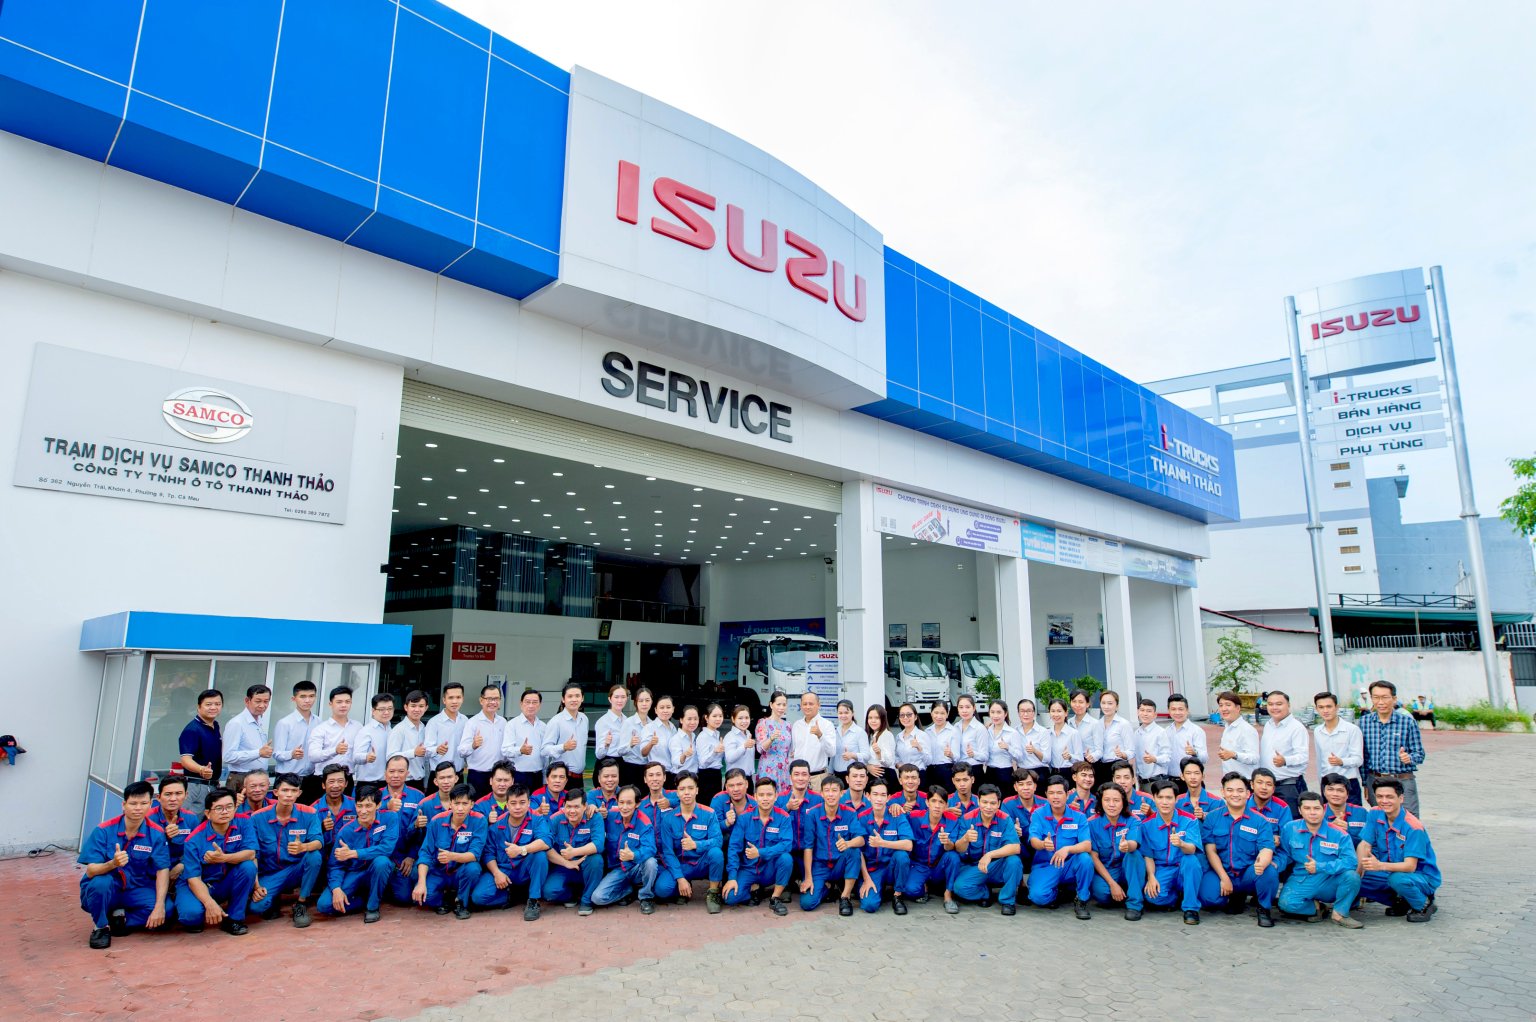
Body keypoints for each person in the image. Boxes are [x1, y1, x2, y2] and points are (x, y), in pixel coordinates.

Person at [78, 780, 170, 949]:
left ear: (151, 804)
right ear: (124, 805)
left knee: (168, 909)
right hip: (108, 889)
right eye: (133, 803)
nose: (138, 808)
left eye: (144, 803)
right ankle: (101, 927)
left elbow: (162, 869)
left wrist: (159, 906)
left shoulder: (156, 833)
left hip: (135, 889)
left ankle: (121, 920)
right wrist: (112, 863)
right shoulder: (104, 830)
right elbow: (91, 871)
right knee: (100, 883)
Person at [1197, 772, 1277, 926]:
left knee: (1269, 870)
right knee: (1209, 899)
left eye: (1240, 791)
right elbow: (1210, 851)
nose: (1235, 794)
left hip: (1247, 873)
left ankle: (1264, 908)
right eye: (1230, 790)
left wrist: (1262, 863)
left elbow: (1266, 848)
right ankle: (1233, 895)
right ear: (1223, 792)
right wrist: (1224, 878)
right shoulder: (1212, 818)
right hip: (1222, 871)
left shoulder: (1260, 821)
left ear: (1248, 794)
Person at [175, 786, 257, 934]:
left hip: (225, 881)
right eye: (219, 808)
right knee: (191, 917)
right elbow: (193, 878)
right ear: (207, 813)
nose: (225, 812)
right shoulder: (194, 839)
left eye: (229, 807)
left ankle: (234, 919)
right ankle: (187, 903)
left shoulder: (244, 822)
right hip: (200, 884)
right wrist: (209, 903)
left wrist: (223, 858)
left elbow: (251, 853)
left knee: (248, 867)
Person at [1357, 778, 1440, 922]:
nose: (1384, 801)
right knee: (1354, 879)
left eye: (1389, 797)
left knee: (1398, 879)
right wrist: (1358, 871)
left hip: (1420, 875)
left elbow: (1410, 866)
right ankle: (1402, 900)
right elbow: (1364, 844)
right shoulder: (1374, 813)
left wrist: (1379, 866)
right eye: (1380, 796)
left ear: (1401, 798)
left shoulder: (1413, 827)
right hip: (1390, 870)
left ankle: (1423, 904)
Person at [1277, 791, 1363, 928]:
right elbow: (1285, 854)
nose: (1312, 812)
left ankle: (1340, 913)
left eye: (1316, 808)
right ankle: (1317, 908)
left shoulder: (1339, 833)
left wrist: (1320, 866)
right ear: (1300, 810)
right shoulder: (1290, 828)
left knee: (1352, 877)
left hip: (1330, 879)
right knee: (1286, 904)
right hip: (1302, 879)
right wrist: (1274, 864)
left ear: (1323, 810)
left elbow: (1351, 862)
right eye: (1307, 808)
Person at [247, 773, 322, 927]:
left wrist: (304, 847)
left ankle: (301, 903)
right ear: (275, 792)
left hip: (296, 869)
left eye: (294, 791)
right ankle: (274, 897)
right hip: (270, 873)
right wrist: (256, 886)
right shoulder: (257, 817)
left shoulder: (309, 813)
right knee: (257, 907)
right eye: (285, 790)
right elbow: (252, 854)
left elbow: (318, 842)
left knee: (314, 856)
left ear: (299, 793)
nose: (289, 795)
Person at [319, 784, 398, 923]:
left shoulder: (390, 818)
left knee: (382, 862)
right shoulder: (346, 831)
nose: (363, 811)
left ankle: (372, 907)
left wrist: (353, 853)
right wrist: (336, 889)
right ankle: (362, 901)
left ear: (378, 805)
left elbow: (386, 848)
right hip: (353, 873)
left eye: (368, 806)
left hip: (377, 869)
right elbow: (335, 865)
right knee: (324, 905)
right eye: (359, 806)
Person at [471, 784, 550, 920]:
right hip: (504, 869)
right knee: (478, 897)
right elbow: (488, 853)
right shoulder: (496, 824)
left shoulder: (537, 819)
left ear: (529, 803)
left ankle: (533, 900)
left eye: (522, 802)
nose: (518, 807)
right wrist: (497, 873)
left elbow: (546, 841)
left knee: (540, 856)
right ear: (507, 805)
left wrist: (522, 849)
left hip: (524, 868)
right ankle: (512, 896)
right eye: (513, 803)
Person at [945, 783, 1023, 915]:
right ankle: (985, 893)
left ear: (998, 804)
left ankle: (1007, 901)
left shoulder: (1005, 819)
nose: (988, 807)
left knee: (1014, 861)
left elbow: (1015, 847)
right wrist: (965, 839)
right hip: (974, 867)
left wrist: (990, 855)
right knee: (960, 888)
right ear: (978, 802)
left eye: (993, 803)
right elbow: (958, 849)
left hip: (996, 866)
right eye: (984, 802)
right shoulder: (967, 819)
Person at [721, 776, 793, 914]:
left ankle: (775, 897)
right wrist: (732, 878)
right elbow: (734, 848)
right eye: (761, 795)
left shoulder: (783, 817)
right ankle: (754, 891)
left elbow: (786, 845)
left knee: (786, 859)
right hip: (749, 869)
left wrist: (760, 852)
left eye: (769, 795)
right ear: (755, 797)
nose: (765, 799)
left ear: (775, 796)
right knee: (729, 898)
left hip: (770, 869)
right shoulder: (744, 818)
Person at [413, 782, 485, 919]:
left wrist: (451, 856)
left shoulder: (479, 820)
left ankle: (461, 902)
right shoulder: (436, 821)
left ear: (472, 804)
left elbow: (474, 854)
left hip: (461, 872)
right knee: (423, 897)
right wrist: (421, 883)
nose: (460, 808)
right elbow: (425, 853)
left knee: (473, 868)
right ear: (450, 803)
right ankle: (443, 901)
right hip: (439, 872)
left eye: (465, 804)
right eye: (457, 803)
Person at [1024, 775, 1092, 918]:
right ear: (1046, 795)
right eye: (1051, 793)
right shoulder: (1038, 814)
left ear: (1067, 794)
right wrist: (1043, 844)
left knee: (1085, 859)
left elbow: (1087, 845)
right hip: (1046, 865)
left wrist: (1067, 849)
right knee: (1038, 897)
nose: (1055, 797)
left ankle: (1082, 899)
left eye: (1059, 793)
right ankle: (1059, 893)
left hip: (1069, 865)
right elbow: (1033, 840)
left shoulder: (1079, 817)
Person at [654, 772, 724, 910]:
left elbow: (718, 841)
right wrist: (680, 878)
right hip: (681, 865)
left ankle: (713, 892)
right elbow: (668, 852)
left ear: (697, 790)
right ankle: (683, 888)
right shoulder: (668, 819)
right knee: (661, 890)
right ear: (677, 792)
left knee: (716, 853)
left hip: (701, 863)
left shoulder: (709, 813)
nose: (687, 792)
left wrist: (696, 844)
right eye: (682, 789)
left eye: (691, 788)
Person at [1139, 779, 1204, 924]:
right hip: (1162, 869)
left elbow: (1192, 849)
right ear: (1154, 798)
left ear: (1176, 799)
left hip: (1183, 867)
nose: (1164, 802)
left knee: (1191, 860)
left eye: (1169, 798)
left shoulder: (1189, 820)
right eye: (1160, 797)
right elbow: (1148, 856)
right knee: (1153, 897)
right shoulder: (1146, 825)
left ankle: (1191, 909)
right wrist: (1151, 877)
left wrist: (1181, 843)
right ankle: (1177, 897)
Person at [800, 774, 865, 914]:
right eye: (827, 790)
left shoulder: (849, 813)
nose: (831, 794)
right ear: (821, 794)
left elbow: (861, 839)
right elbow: (808, 847)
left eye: (834, 790)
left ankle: (845, 896)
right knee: (807, 903)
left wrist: (848, 843)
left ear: (841, 793)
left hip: (840, 863)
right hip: (820, 865)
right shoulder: (812, 814)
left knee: (854, 851)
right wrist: (808, 877)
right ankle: (827, 888)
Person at [1360, 680, 1426, 817]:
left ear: (1394, 699)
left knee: (1409, 819)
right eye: (1376, 697)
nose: (1380, 702)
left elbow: (1419, 754)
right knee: (1380, 820)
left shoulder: (1407, 722)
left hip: (1402, 780)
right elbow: (1364, 757)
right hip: (1375, 780)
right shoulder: (1364, 722)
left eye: (1385, 697)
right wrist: (1365, 783)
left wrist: (1409, 758)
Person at [591, 786, 656, 914]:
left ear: (637, 804)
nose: (624, 807)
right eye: (621, 802)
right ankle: (628, 891)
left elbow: (650, 848)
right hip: (618, 869)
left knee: (651, 862)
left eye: (629, 803)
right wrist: (594, 810)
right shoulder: (610, 816)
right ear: (617, 801)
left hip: (637, 867)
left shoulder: (644, 822)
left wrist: (633, 855)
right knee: (597, 898)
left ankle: (646, 897)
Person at [543, 786, 607, 914]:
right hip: (563, 866)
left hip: (586, 864)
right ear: (564, 806)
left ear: (585, 806)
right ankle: (570, 895)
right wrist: (566, 862)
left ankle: (586, 900)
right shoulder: (556, 819)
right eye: (569, 806)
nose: (572, 811)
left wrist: (575, 852)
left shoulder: (594, 817)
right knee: (549, 892)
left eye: (577, 807)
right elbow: (545, 846)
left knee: (596, 860)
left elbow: (598, 844)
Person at [1087, 783, 1145, 921]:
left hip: (1127, 867)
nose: (1111, 805)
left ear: (1123, 802)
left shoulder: (1133, 820)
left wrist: (1127, 845)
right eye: (1107, 800)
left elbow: (1134, 843)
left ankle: (1135, 905)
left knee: (1133, 855)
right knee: (1102, 894)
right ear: (1101, 802)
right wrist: (1112, 884)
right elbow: (1094, 857)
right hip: (1107, 869)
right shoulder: (1091, 823)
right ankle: (1123, 891)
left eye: (1116, 800)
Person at [857, 777, 914, 914]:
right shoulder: (861, 818)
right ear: (868, 796)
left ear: (888, 798)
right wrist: (866, 879)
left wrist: (882, 843)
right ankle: (879, 889)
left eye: (883, 795)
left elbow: (909, 845)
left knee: (902, 856)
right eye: (875, 794)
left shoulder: (897, 815)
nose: (879, 799)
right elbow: (858, 852)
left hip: (891, 867)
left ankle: (897, 895)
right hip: (872, 870)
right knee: (869, 906)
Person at [272, 680, 322, 803]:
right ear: (294, 699)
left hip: (311, 778)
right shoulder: (285, 723)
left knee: (310, 811)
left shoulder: (319, 722)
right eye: (303, 696)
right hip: (287, 779)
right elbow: (277, 753)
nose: (307, 700)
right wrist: (291, 754)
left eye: (311, 696)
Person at [1258, 691, 1310, 807]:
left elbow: (1303, 757)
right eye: (1270, 704)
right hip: (1268, 786)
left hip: (1288, 787)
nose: (1274, 707)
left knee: (1291, 818)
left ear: (1288, 705)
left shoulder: (1296, 728)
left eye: (1279, 704)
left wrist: (1285, 760)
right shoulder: (1269, 725)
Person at [1312, 691, 1365, 805]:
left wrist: (1342, 762)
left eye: (1329, 706)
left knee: (1352, 815)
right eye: (1321, 707)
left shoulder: (1352, 730)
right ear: (1316, 709)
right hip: (1327, 783)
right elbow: (1319, 760)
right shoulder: (1317, 731)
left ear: (1337, 707)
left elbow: (1358, 759)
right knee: (1329, 815)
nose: (1325, 710)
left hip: (1348, 782)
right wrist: (1321, 783)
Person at [178, 689, 224, 816]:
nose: (213, 707)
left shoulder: (215, 726)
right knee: (191, 823)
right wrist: (201, 769)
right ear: (199, 707)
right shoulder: (192, 730)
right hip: (196, 786)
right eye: (208, 704)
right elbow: (185, 760)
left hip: (212, 786)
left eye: (217, 704)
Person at [775, 759, 823, 880]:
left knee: (813, 887)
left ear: (809, 777)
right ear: (790, 777)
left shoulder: (818, 799)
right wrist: (787, 808)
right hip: (788, 851)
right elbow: (773, 824)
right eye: (796, 774)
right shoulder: (780, 799)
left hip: (811, 852)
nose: (800, 778)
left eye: (804, 774)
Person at [458, 684, 507, 795]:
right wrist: (473, 745)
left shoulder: (503, 722)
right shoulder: (472, 723)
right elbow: (461, 751)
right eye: (489, 699)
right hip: (478, 775)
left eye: (496, 699)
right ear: (481, 700)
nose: (493, 702)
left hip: (499, 775)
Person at [307, 687, 362, 780]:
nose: (344, 705)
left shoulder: (358, 727)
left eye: (347, 702)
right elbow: (313, 756)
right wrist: (335, 751)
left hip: (348, 777)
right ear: (330, 704)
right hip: (325, 778)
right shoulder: (321, 729)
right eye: (339, 702)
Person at [222, 684, 273, 783]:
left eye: (266, 701)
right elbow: (228, 756)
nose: (262, 705)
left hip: (259, 777)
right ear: (247, 701)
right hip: (241, 777)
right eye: (258, 701)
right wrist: (258, 753)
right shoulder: (237, 723)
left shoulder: (260, 720)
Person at [1247, 768, 1294, 875]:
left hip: (1272, 858)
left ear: (1273, 789)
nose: (1264, 787)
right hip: (1244, 857)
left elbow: (1288, 845)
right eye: (1260, 783)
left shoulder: (1282, 808)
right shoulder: (1242, 804)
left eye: (1268, 784)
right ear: (1252, 785)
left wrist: (1276, 864)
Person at [148, 775, 191, 883]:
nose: (173, 799)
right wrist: (164, 837)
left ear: (186, 795)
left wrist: (182, 865)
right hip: (150, 874)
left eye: (178, 793)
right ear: (158, 797)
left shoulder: (191, 818)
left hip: (181, 872)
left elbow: (196, 849)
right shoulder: (146, 819)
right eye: (168, 794)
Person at [501, 688, 546, 791]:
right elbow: (505, 750)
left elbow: (545, 756)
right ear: (521, 704)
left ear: (540, 705)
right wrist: (520, 750)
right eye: (527, 702)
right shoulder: (512, 725)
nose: (531, 705)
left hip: (538, 775)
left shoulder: (543, 726)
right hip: (518, 775)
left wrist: (544, 777)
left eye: (535, 702)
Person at [543, 683, 589, 780]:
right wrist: (563, 747)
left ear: (582, 698)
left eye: (577, 696)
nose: (574, 699)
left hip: (579, 776)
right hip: (561, 777)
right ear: (563, 699)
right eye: (570, 696)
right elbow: (544, 750)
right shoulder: (556, 721)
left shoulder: (584, 719)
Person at [1164, 694, 1209, 791]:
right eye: (1173, 709)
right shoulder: (1166, 731)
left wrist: (1194, 752)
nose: (1177, 712)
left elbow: (1204, 758)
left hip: (1190, 782)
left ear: (1187, 710)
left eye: (1181, 709)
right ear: (1169, 711)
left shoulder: (1196, 731)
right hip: (1171, 781)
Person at [388, 689, 431, 787]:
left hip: (420, 781)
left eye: (421, 706)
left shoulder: (424, 728)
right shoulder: (399, 729)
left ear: (426, 708)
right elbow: (391, 756)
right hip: (403, 782)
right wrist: (413, 753)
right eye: (413, 706)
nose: (417, 709)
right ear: (406, 707)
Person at [424, 682, 468, 779]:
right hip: (439, 775)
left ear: (462, 699)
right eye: (450, 698)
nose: (454, 701)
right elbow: (426, 750)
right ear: (444, 700)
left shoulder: (465, 720)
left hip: (458, 774)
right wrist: (437, 750)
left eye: (458, 697)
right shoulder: (434, 722)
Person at [311, 763, 356, 854]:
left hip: (350, 853)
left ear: (346, 783)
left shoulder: (356, 805)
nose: (336, 785)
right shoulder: (313, 809)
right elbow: (308, 839)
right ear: (323, 785)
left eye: (340, 781)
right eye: (331, 781)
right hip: (323, 855)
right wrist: (321, 827)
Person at [1215, 691, 1259, 780]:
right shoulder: (1227, 728)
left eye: (1228, 705)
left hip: (1245, 781)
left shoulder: (1246, 730)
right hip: (1230, 780)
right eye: (1221, 705)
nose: (1224, 709)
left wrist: (1234, 755)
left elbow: (1254, 758)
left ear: (1238, 708)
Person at [353, 693, 395, 785]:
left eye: (390, 709)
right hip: (369, 783)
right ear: (373, 711)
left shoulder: (391, 730)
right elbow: (355, 757)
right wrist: (366, 757)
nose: (386, 712)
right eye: (382, 709)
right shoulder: (366, 731)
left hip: (387, 782)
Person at [790, 693, 835, 779]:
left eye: (811, 704)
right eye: (805, 704)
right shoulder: (796, 725)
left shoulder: (827, 725)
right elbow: (793, 752)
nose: (807, 707)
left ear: (818, 705)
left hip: (818, 777)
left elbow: (831, 752)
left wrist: (820, 736)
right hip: (798, 777)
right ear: (801, 706)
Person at [1320, 772, 1371, 844]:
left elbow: (1370, 840)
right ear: (1324, 792)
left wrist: (1348, 832)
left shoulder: (1361, 812)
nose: (1335, 794)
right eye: (1330, 789)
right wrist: (1330, 830)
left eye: (1340, 790)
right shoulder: (1317, 813)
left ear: (1347, 794)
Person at [1098, 691, 1136, 788]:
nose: (1106, 706)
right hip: (1102, 768)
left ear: (1117, 706)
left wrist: (1122, 754)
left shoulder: (1123, 724)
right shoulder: (1097, 724)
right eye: (1103, 703)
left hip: (1119, 767)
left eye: (1110, 703)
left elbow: (1131, 751)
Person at [641, 694, 680, 785]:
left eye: (668, 707)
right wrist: (651, 743)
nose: (665, 710)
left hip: (673, 772)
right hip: (657, 774)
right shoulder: (649, 728)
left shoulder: (673, 728)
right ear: (656, 710)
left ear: (673, 709)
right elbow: (643, 753)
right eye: (662, 708)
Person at [951, 694, 990, 782]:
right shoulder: (956, 726)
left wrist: (973, 754)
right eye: (961, 707)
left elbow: (985, 756)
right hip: (959, 770)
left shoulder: (979, 728)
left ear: (974, 708)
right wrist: (951, 754)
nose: (964, 710)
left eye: (967, 707)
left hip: (974, 770)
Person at [982, 700, 1019, 791]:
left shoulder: (1012, 733)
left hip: (1005, 772)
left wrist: (1008, 748)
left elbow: (1019, 756)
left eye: (999, 712)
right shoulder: (986, 731)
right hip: (989, 771)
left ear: (1005, 713)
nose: (995, 716)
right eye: (992, 712)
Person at [622, 687, 655, 789]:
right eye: (641, 701)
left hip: (647, 768)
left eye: (647, 700)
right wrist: (630, 745)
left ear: (651, 702)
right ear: (635, 702)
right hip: (630, 768)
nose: (644, 704)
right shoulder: (628, 723)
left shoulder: (653, 724)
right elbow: (620, 750)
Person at [1133, 698, 1170, 790]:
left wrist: (1154, 759)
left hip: (1156, 781)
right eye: (1142, 710)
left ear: (1155, 715)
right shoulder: (1136, 733)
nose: (1145, 714)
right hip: (1141, 782)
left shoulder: (1161, 732)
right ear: (1138, 712)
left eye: (1149, 711)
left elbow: (1167, 757)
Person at [593, 685, 630, 776]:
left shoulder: (627, 721)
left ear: (627, 699)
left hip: (623, 765)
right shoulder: (603, 722)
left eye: (623, 697)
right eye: (616, 697)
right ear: (610, 699)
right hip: (606, 765)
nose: (620, 700)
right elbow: (599, 754)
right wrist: (606, 745)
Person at [710, 768, 752, 847]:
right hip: (724, 843)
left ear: (746, 784)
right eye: (731, 785)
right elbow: (712, 829)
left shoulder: (754, 803)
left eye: (739, 784)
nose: (736, 789)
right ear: (726, 787)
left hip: (747, 843)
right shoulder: (718, 800)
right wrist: (726, 823)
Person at [695, 703, 727, 804]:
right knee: (706, 806)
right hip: (706, 777)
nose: (718, 719)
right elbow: (703, 763)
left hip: (716, 775)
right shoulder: (703, 736)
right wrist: (714, 752)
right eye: (714, 716)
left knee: (716, 805)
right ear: (706, 718)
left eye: (720, 716)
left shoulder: (716, 734)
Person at [831, 699, 870, 782]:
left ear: (852, 713)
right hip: (836, 775)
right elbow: (833, 755)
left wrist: (852, 755)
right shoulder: (836, 731)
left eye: (846, 712)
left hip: (852, 775)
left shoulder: (859, 732)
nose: (843, 715)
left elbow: (867, 756)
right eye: (840, 713)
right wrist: (829, 772)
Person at [1014, 699, 1051, 784]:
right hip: (1021, 772)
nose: (1025, 714)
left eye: (1029, 711)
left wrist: (1034, 750)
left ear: (1034, 712)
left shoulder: (1043, 732)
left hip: (1039, 772)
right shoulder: (1015, 731)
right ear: (1018, 713)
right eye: (1022, 711)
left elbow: (1047, 759)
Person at [1067, 689, 1104, 776]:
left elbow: (1100, 750)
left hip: (1091, 765)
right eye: (1074, 701)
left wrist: (1092, 756)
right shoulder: (1068, 723)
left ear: (1087, 704)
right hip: (1073, 765)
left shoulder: (1095, 724)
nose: (1077, 705)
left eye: (1081, 702)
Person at [1045, 698, 1084, 778]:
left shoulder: (1073, 733)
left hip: (1068, 772)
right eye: (1053, 711)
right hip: (1052, 773)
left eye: (1059, 711)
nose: (1056, 714)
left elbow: (1080, 758)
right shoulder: (1047, 733)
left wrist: (1070, 756)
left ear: (1066, 713)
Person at [924, 701, 958, 791]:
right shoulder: (927, 731)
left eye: (942, 713)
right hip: (930, 770)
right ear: (931, 713)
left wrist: (950, 754)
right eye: (936, 713)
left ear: (947, 714)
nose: (939, 716)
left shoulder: (953, 731)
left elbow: (957, 757)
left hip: (946, 770)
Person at [670, 704, 704, 781]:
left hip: (694, 776)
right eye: (689, 719)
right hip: (680, 778)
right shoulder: (676, 739)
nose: (693, 722)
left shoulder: (694, 737)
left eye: (695, 719)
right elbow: (675, 761)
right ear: (681, 720)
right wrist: (684, 755)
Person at [723, 704, 756, 781]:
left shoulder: (748, 734)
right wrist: (744, 746)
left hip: (748, 777)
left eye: (747, 718)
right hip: (735, 779)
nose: (744, 721)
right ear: (733, 719)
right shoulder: (730, 736)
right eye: (740, 718)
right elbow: (730, 758)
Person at [893, 703, 929, 774]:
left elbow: (929, 761)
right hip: (903, 774)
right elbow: (896, 756)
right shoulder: (898, 736)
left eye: (909, 714)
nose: (905, 717)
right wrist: (899, 765)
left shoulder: (922, 735)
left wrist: (919, 748)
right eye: (902, 715)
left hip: (919, 774)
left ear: (915, 717)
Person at [865, 705, 896, 783]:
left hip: (884, 775)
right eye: (870, 718)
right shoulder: (870, 735)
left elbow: (889, 762)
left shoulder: (886, 735)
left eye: (877, 718)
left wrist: (879, 754)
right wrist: (867, 766)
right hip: (873, 775)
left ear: (883, 719)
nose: (873, 721)